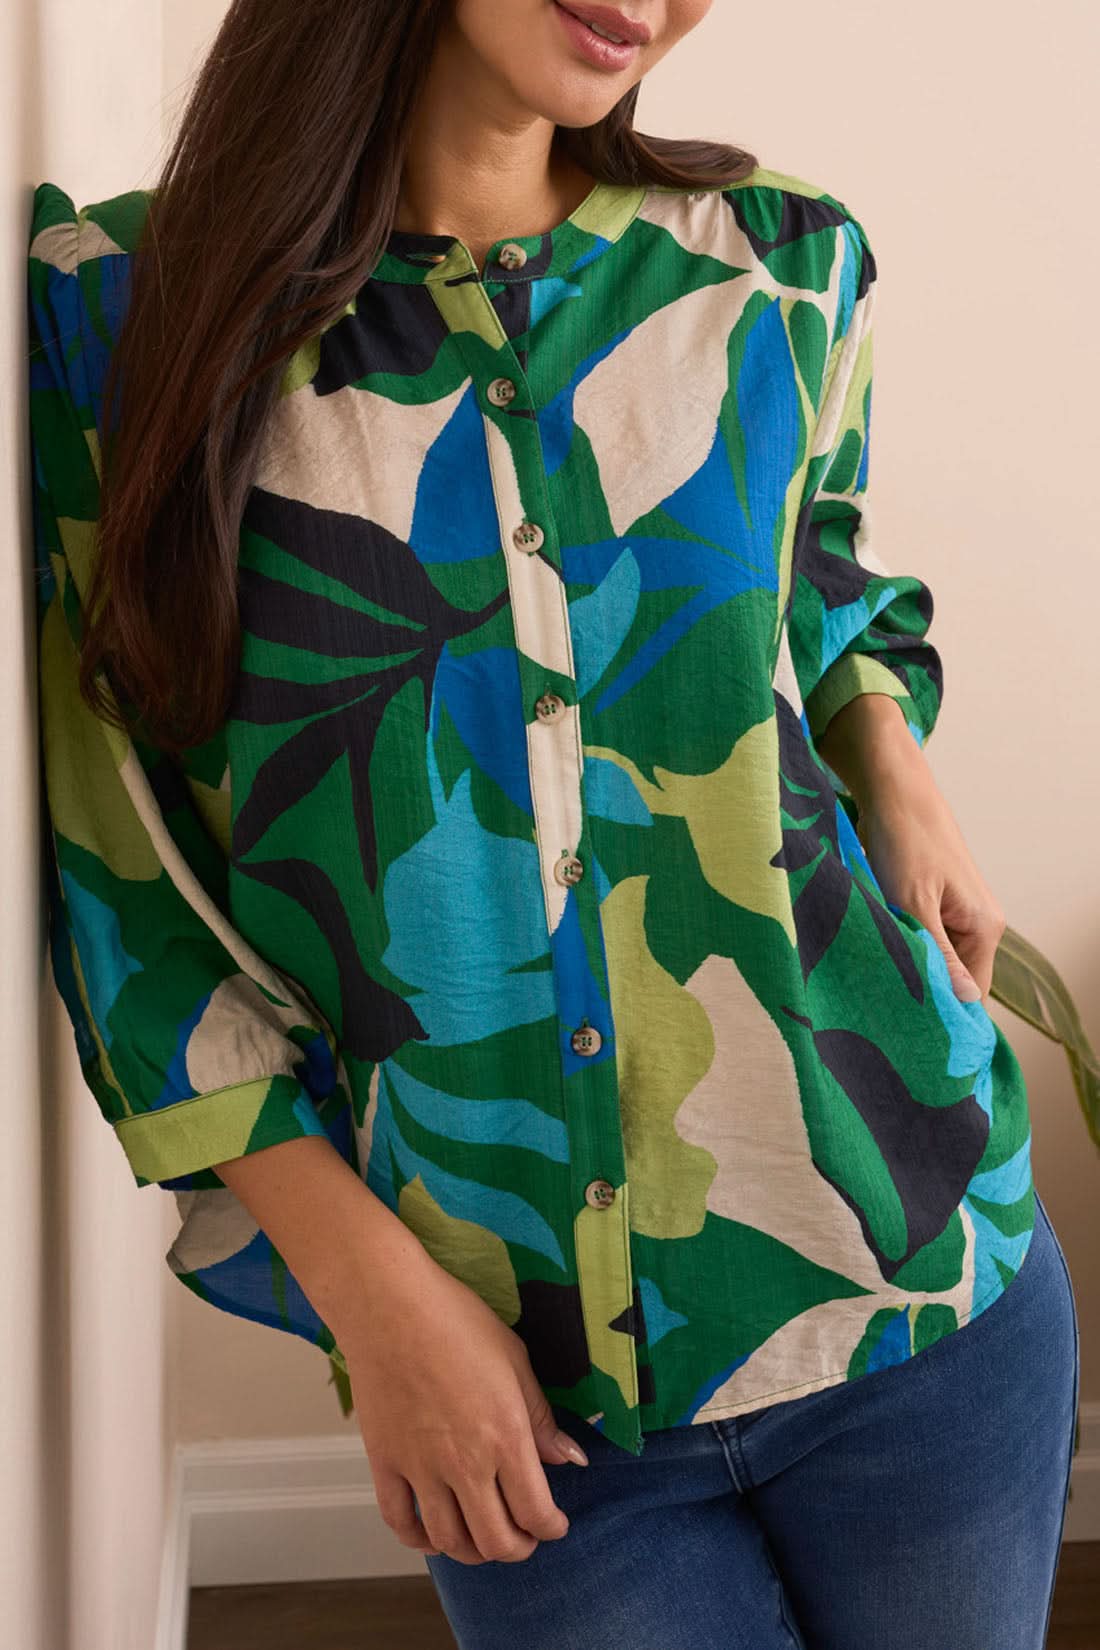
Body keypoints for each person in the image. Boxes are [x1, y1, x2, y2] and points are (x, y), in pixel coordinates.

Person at [27, 0, 1079, 1645]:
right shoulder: (120, 319)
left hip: (919, 1290)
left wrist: (897, 764)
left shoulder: (778, 263)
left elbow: (819, 564)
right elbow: (127, 895)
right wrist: (378, 1308)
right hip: (514, 1381)